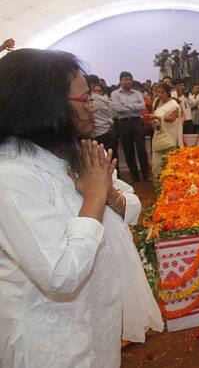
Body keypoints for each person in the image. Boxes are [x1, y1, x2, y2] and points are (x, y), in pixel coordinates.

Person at [0, 49, 162, 368]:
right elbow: (60, 274)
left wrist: (109, 196)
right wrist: (93, 198)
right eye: (85, 99)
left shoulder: (71, 152)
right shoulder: (12, 177)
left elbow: (130, 206)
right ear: (47, 105)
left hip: (92, 324)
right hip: (48, 342)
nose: (93, 108)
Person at [111, 71, 149, 183]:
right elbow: (118, 108)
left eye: (129, 79)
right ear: (120, 81)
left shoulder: (137, 93)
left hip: (137, 122)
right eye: (125, 79)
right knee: (128, 150)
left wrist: (126, 106)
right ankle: (134, 176)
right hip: (123, 124)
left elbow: (142, 106)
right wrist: (134, 107)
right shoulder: (115, 94)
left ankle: (146, 175)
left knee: (142, 149)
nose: (128, 81)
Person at [145, 83, 183, 182]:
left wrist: (157, 117)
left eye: (162, 92)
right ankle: (159, 183)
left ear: (167, 93)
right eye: (158, 92)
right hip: (158, 134)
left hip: (170, 135)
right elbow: (155, 115)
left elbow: (172, 118)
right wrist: (152, 121)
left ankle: (171, 183)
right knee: (157, 161)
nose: (160, 95)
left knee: (170, 160)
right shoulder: (157, 102)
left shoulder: (173, 104)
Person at [89, 80, 119, 170]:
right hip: (94, 135)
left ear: (103, 92)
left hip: (108, 133)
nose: (97, 93)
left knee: (112, 158)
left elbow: (113, 115)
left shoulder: (108, 102)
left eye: (99, 91)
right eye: (95, 91)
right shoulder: (89, 101)